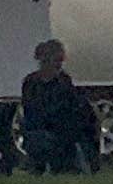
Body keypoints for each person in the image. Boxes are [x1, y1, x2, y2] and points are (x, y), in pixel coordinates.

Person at [15, 40, 105, 174]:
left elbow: (78, 111)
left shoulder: (64, 81)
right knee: (39, 138)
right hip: (42, 131)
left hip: (66, 132)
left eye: (61, 60)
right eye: (56, 60)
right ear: (43, 60)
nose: (59, 64)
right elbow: (33, 113)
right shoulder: (31, 83)